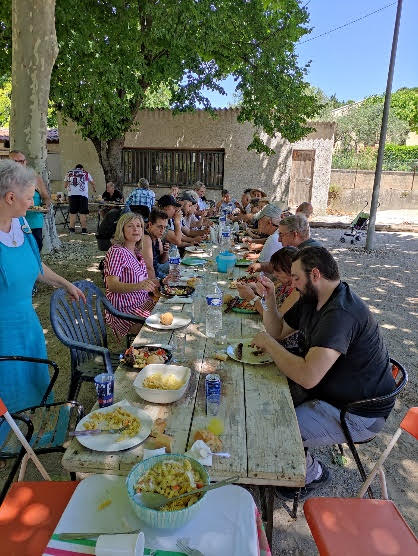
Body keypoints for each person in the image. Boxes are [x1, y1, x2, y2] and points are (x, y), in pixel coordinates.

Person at [251, 247, 396, 500]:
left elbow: (308, 375)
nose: (292, 283)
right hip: (332, 391)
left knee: (273, 426)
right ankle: (288, 456)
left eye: (296, 277)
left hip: (358, 412)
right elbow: (277, 332)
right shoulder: (312, 297)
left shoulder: (340, 312)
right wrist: (270, 298)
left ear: (315, 274)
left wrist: (271, 346)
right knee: (261, 395)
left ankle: (313, 473)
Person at [0, 161, 85, 423]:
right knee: (7, 394)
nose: (32, 203)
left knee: (32, 390)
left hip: (28, 325)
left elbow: (35, 265)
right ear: (10, 197)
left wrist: (64, 283)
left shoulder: (21, 224)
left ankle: (22, 441)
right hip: (4, 333)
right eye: (29, 197)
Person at [103, 212, 159, 338]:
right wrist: (139, 286)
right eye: (130, 226)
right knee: (160, 324)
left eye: (139, 226)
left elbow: (144, 283)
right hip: (125, 310)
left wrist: (163, 281)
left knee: (169, 312)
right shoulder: (116, 251)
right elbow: (112, 285)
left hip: (143, 303)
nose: (136, 229)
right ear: (122, 230)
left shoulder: (136, 252)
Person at [247, 213, 321, 274]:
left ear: (294, 235)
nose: (279, 239)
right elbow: (280, 266)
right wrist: (260, 266)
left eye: (281, 235)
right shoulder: (300, 248)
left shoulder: (307, 254)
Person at [9, 150, 51, 253]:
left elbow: (46, 197)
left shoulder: (35, 178)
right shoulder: (5, 179)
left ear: (26, 162)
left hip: (33, 221)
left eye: (22, 161)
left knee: (36, 248)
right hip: (12, 222)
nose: (19, 164)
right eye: (16, 162)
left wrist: (46, 206)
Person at [64, 163, 96, 234]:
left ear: (75, 168)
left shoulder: (69, 173)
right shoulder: (86, 173)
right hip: (83, 195)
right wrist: (94, 189)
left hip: (72, 196)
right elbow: (93, 183)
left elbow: (65, 185)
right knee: (83, 213)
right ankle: (84, 230)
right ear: (82, 168)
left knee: (73, 213)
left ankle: (72, 230)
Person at [143, 209, 170, 278]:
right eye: (160, 227)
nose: (162, 231)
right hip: (146, 279)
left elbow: (162, 261)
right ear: (150, 224)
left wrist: (166, 251)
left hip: (156, 273)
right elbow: (148, 268)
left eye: (165, 227)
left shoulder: (157, 237)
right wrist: (156, 286)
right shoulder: (146, 238)